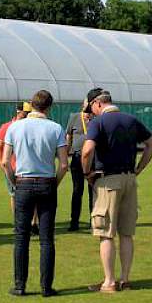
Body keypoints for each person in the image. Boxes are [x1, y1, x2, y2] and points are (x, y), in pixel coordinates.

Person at [81, 91, 152, 293]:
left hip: (108, 180)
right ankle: (125, 279)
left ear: (97, 104)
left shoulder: (98, 123)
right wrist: (139, 168)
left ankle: (109, 281)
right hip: (129, 179)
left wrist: (86, 172)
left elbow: (87, 150)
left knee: (106, 233)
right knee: (126, 233)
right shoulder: (131, 119)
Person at [1, 90, 68, 297]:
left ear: (31, 104)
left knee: (21, 237)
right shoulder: (55, 128)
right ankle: (46, 287)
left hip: (23, 182)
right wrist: (54, 183)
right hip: (47, 182)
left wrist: (14, 181)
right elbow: (64, 164)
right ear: (49, 107)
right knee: (47, 238)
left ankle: (20, 285)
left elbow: (4, 161)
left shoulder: (15, 127)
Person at [65, 88, 101, 231]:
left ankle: (94, 221)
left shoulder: (97, 119)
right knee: (77, 190)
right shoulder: (74, 117)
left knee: (93, 190)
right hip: (77, 158)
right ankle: (74, 222)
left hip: (94, 158)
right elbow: (68, 136)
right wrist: (66, 154)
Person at [0, 102, 29, 212]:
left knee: (30, 195)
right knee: (14, 195)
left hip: (28, 167)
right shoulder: (6, 127)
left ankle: (34, 223)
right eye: (25, 114)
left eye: (29, 114)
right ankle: (17, 221)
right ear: (18, 112)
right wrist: (2, 164)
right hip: (12, 168)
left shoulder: (30, 127)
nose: (27, 116)